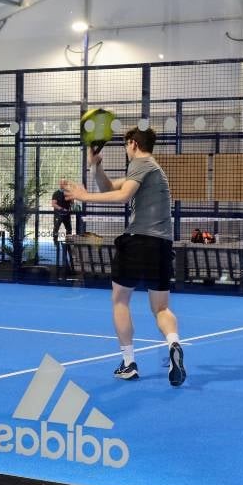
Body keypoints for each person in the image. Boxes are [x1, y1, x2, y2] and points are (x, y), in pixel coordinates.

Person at [63, 127, 186, 387]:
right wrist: (96, 166)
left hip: (138, 241)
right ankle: (173, 342)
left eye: (126, 145)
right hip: (162, 246)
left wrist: (85, 196)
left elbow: (123, 195)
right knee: (161, 308)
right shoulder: (153, 169)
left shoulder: (141, 164)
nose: (126, 149)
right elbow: (109, 186)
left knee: (120, 300)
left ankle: (129, 363)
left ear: (133, 144)